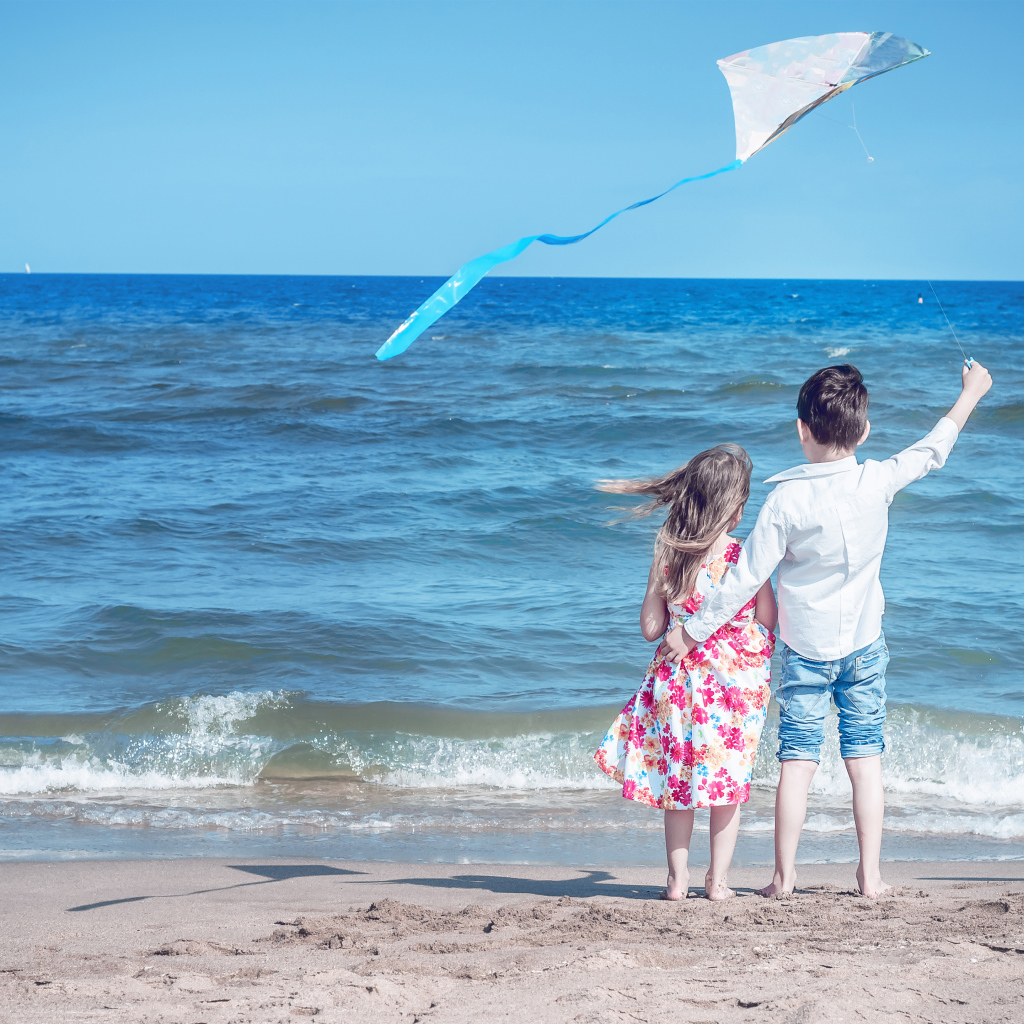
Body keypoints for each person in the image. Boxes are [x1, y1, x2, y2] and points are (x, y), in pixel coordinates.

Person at [661, 361, 994, 899]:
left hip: (805, 650)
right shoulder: (878, 479)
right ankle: (870, 876)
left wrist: (693, 632)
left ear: (802, 429)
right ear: (864, 431)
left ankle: (783, 878)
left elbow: (744, 579)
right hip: (865, 645)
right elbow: (933, 448)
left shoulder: (784, 501)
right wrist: (971, 393)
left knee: (798, 763)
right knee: (865, 761)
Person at [593, 445, 778, 901]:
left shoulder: (671, 557)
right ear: (734, 510)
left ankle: (677, 881)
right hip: (731, 694)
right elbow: (768, 620)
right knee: (726, 787)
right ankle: (718, 882)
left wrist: (657, 576)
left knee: (679, 785)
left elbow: (650, 629)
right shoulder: (743, 559)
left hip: (677, 690)